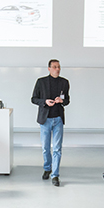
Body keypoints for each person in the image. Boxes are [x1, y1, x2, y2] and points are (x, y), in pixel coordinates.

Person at [31, 59, 70, 187]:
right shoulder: (41, 82)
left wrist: (61, 101)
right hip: (45, 119)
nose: (57, 69)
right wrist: (44, 102)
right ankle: (47, 167)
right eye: (54, 67)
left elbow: (67, 100)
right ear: (49, 69)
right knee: (45, 148)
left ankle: (55, 175)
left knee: (57, 149)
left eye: (59, 67)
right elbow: (33, 99)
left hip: (58, 118)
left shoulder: (64, 82)